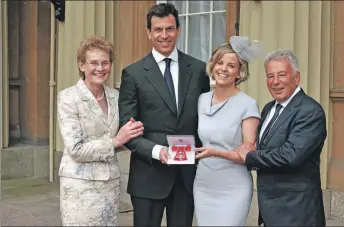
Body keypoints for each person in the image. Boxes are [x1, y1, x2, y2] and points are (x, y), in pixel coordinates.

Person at [118, 3, 210, 227]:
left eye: (169, 28)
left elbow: (205, 119)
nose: (164, 35)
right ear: (149, 32)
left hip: (185, 177)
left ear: (178, 29)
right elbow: (127, 130)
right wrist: (158, 151)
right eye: (158, 29)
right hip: (148, 177)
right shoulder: (133, 74)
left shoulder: (198, 70)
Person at [57, 35, 144, 226]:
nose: (100, 68)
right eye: (94, 63)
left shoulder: (116, 96)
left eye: (105, 63)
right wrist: (116, 141)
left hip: (110, 187)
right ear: (81, 65)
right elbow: (76, 149)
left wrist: (129, 138)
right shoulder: (68, 97)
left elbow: (119, 140)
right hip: (80, 189)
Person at [236, 49, 327, 226]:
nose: (275, 82)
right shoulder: (269, 108)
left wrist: (250, 156)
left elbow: (290, 156)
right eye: (270, 76)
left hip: (297, 213)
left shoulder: (310, 111)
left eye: (282, 75)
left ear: (297, 77)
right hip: (272, 211)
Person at [193, 36, 263, 226]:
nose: (223, 69)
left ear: (239, 73)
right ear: (212, 66)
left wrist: (215, 152)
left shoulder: (248, 105)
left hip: (234, 187)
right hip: (203, 184)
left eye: (231, 66)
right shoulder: (200, 100)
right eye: (220, 63)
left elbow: (247, 154)